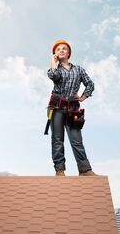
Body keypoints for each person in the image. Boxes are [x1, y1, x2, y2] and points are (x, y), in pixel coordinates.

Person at [47, 39, 97, 176]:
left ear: (69, 53)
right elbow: (53, 75)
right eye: (58, 49)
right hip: (56, 107)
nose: (61, 50)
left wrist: (82, 97)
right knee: (57, 139)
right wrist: (54, 62)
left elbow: (90, 84)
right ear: (55, 54)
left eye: (64, 48)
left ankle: (85, 170)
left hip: (73, 108)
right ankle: (60, 170)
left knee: (77, 140)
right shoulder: (55, 69)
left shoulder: (79, 69)